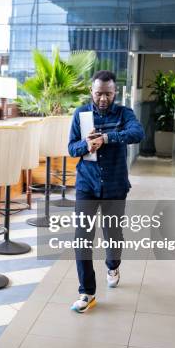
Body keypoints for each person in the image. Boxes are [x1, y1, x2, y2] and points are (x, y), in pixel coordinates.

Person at [67, 70, 144, 313]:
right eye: (99, 93)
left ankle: (112, 265)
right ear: (91, 91)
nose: (103, 99)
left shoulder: (124, 113)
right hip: (86, 186)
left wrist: (107, 138)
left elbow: (137, 133)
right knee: (82, 238)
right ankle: (86, 292)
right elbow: (71, 148)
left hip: (114, 186)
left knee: (113, 234)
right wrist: (86, 144)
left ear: (115, 93)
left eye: (108, 94)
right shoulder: (81, 114)